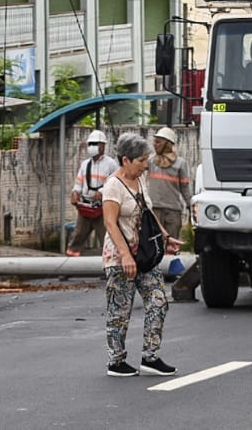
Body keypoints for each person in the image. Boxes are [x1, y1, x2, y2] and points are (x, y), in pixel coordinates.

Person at [101, 132, 183, 377]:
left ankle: (151, 356)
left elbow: (147, 211)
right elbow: (110, 223)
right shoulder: (113, 185)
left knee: (158, 301)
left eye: (147, 159)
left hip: (145, 256)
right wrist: (125, 256)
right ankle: (116, 361)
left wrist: (165, 236)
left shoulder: (141, 179)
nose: (146, 164)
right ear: (126, 160)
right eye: (141, 160)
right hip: (119, 258)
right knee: (120, 311)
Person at [67, 130, 119, 256]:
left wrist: (102, 192)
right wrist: (75, 193)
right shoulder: (85, 164)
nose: (92, 147)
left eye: (95, 144)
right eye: (90, 144)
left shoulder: (111, 164)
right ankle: (69, 264)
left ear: (103, 145)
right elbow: (79, 183)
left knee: (107, 237)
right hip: (86, 206)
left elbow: (115, 183)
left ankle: (109, 265)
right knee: (78, 235)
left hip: (102, 208)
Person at [146, 126, 192, 242]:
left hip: (173, 210)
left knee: (172, 243)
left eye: (158, 142)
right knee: (154, 243)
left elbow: (185, 187)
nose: (155, 144)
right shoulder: (151, 161)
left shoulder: (180, 163)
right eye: (154, 142)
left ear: (167, 144)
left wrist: (190, 205)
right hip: (154, 209)